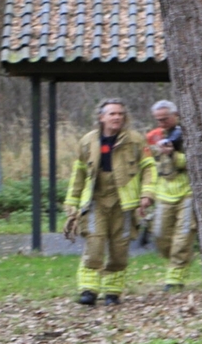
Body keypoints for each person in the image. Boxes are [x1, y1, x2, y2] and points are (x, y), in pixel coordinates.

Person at [64, 98, 155, 306]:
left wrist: (147, 193)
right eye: (112, 114)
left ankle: (113, 292)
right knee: (94, 245)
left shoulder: (135, 141)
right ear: (101, 117)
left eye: (120, 114)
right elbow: (78, 173)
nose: (117, 117)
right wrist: (72, 201)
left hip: (124, 204)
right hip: (96, 201)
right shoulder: (88, 141)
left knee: (119, 249)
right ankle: (88, 290)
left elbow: (149, 167)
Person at [147, 100, 196, 291]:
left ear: (175, 115)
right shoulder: (153, 137)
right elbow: (149, 166)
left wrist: (173, 154)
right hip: (163, 193)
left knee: (182, 236)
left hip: (187, 192)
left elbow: (196, 161)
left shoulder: (189, 132)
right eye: (158, 120)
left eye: (165, 119)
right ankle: (179, 259)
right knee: (160, 234)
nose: (162, 123)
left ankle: (175, 277)